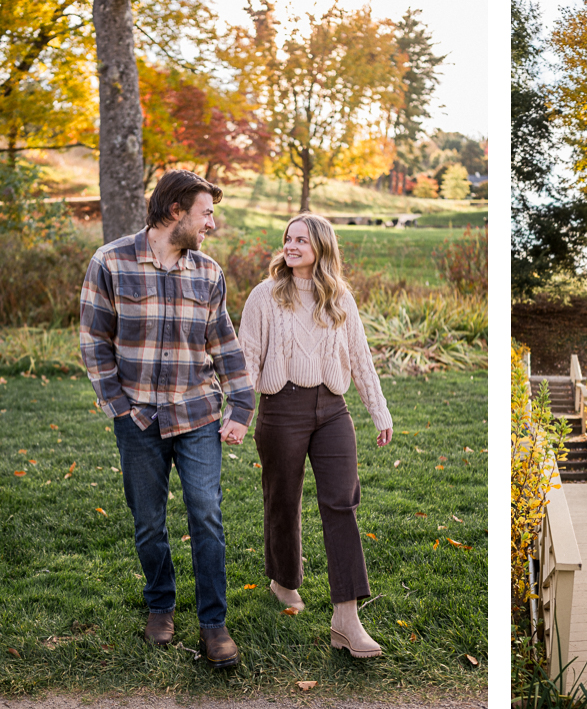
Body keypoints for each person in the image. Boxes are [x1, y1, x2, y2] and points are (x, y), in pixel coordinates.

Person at [79, 170, 255, 668]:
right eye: (206, 213)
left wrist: (241, 406)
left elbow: (224, 345)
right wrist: (121, 407)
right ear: (176, 210)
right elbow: (94, 344)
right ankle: (161, 605)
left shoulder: (208, 273)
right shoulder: (110, 262)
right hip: (138, 420)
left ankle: (213, 622)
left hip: (197, 412)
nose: (212, 225)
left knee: (206, 515)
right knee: (149, 524)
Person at [238, 213, 393, 658]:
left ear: (321, 247)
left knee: (342, 504)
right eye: (287, 238)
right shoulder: (264, 297)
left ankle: (346, 619)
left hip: (332, 411)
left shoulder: (340, 298)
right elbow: (247, 358)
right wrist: (240, 412)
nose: (291, 245)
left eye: (301, 239)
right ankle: (284, 580)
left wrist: (378, 410)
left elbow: (360, 358)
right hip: (281, 409)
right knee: (282, 500)